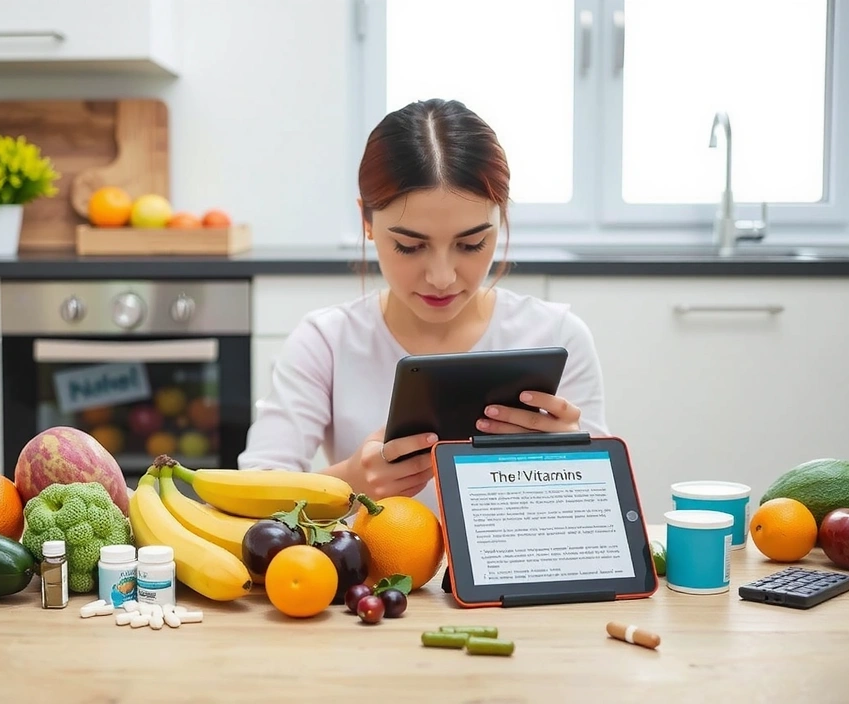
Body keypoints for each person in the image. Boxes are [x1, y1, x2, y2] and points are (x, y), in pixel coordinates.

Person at [238, 98, 608, 516]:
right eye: (410, 246)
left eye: (470, 244)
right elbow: (255, 492)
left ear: (501, 219)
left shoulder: (558, 336)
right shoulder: (326, 341)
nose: (442, 277)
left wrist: (577, 466)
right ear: (366, 221)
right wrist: (349, 483)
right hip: (375, 576)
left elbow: (600, 518)